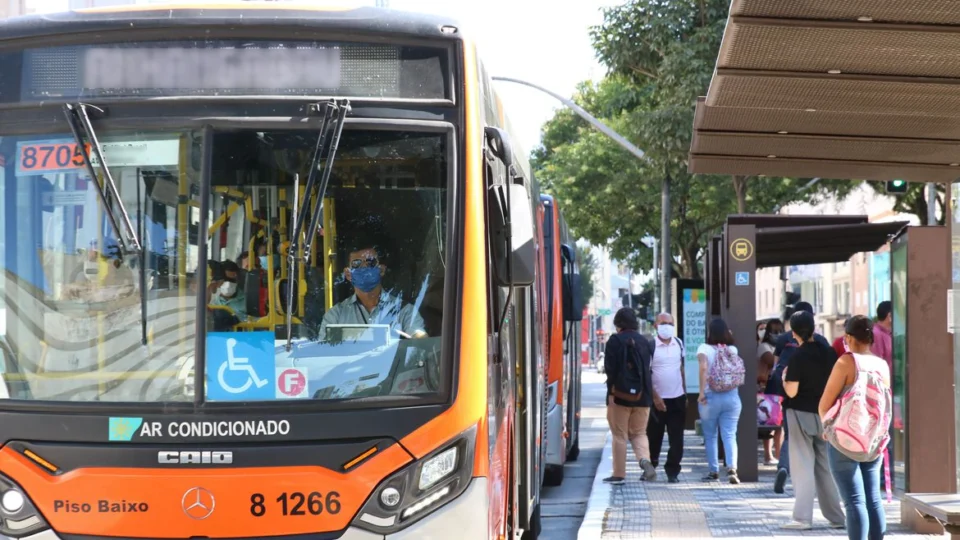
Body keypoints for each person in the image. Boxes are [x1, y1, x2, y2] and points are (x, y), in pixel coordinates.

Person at [820, 315, 891, 540]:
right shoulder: (882, 365)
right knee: (873, 500)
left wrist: (827, 428)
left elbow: (824, 404)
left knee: (854, 502)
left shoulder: (846, 362)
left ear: (848, 337)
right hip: (873, 441)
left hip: (845, 440)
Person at [780, 310, 845, 530]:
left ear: (794, 332)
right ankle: (837, 517)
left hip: (800, 413)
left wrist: (783, 378)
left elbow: (791, 391)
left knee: (802, 465)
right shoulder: (828, 352)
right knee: (825, 467)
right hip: (825, 415)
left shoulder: (798, 356)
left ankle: (802, 518)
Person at [768, 301, 831, 494]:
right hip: (822, 407)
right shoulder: (824, 345)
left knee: (795, 446)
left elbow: (778, 370)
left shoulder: (787, 344)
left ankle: (784, 468)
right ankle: (834, 510)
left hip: (795, 406)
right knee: (823, 456)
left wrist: (784, 381)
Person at [318, 241, 427, 339]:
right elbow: (322, 354)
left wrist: (417, 338)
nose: (364, 268)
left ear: (382, 270)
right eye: (357, 264)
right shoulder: (335, 316)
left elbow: (420, 340)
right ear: (348, 274)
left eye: (370, 262)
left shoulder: (404, 311)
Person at [602, 308, 657, 484]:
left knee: (619, 435)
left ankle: (619, 474)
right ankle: (645, 461)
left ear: (618, 324)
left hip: (619, 396)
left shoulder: (615, 341)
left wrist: (611, 393)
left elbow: (610, 370)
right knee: (639, 433)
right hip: (643, 397)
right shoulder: (645, 341)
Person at [697, 318, 743, 484]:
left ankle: (714, 471)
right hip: (732, 397)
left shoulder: (704, 348)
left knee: (710, 436)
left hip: (711, 398)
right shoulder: (732, 349)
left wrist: (701, 392)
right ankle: (732, 468)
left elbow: (703, 367)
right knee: (730, 434)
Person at [647, 312, 686, 483]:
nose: (667, 326)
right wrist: (655, 397)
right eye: (663, 322)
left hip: (677, 398)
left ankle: (673, 471)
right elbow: (646, 374)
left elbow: (681, 369)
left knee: (676, 439)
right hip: (657, 400)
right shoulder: (651, 346)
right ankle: (651, 467)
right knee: (654, 437)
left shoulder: (679, 343)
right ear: (656, 325)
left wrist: (684, 392)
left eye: (670, 323)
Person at [758, 318, 784, 465]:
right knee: (768, 423)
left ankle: (778, 455)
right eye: (774, 332)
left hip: (778, 389)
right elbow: (772, 362)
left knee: (778, 424)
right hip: (766, 389)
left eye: (780, 331)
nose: (778, 334)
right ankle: (769, 455)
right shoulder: (764, 347)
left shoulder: (779, 347)